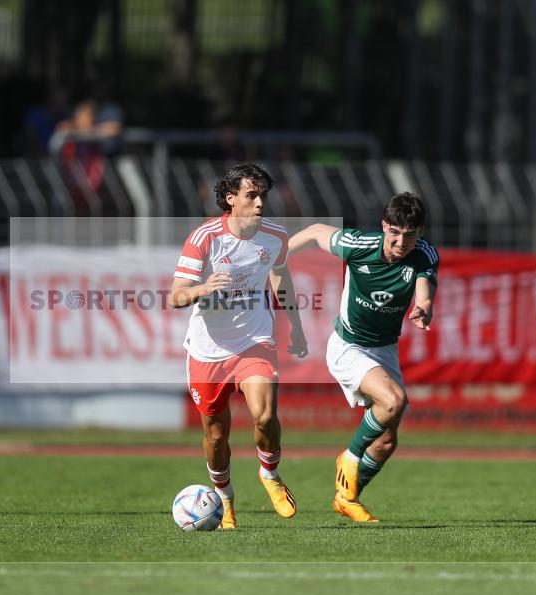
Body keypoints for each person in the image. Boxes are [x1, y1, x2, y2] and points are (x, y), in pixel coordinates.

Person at [170, 163, 309, 529]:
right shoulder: (204, 238)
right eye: (252, 195)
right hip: (207, 350)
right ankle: (225, 501)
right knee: (215, 434)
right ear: (230, 200)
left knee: (264, 415)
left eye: (263, 194)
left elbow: (281, 277)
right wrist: (203, 289)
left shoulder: (276, 236)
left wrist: (294, 324)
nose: (260, 202)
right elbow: (175, 297)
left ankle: (270, 474)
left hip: (254, 341)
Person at [288, 191, 439, 522]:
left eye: (410, 235)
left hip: (384, 351)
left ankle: (347, 496)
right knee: (394, 400)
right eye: (395, 232)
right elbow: (315, 231)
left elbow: (425, 288)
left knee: (386, 441)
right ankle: (350, 457)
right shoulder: (359, 245)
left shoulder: (424, 255)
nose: (401, 242)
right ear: (384, 226)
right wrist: (276, 255)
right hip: (348, 347)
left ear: (420, 233)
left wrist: (423, 307)